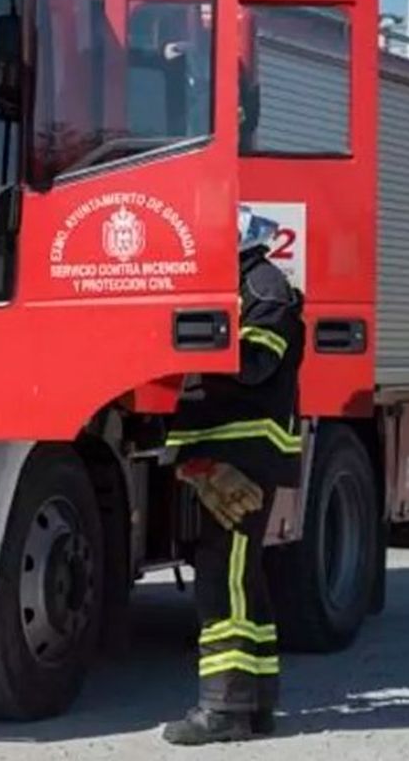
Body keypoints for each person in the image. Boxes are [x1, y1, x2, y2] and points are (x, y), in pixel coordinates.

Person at [160, 205, 306, 746]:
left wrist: (187, 338)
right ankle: (258, 705)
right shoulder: (250, 285)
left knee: (223, 582)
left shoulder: (265, 290)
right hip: (227, 452)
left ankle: (224, 709)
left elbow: (255, 364)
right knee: (242, 578)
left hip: (246, 453)